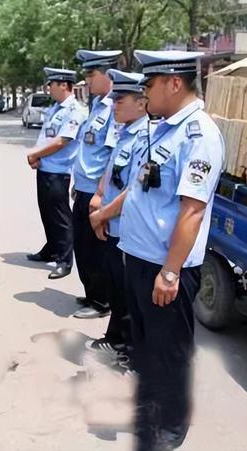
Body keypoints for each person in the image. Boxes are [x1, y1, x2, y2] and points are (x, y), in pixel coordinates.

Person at [118, 50, 224, 450]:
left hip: (166, 267)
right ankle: (151, 411)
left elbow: (192, 211)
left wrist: (170, 271)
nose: (144, 93)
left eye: (149, 85)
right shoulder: (163, 128)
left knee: (170, 352)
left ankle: (170, 429)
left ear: (174, 83)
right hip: (141, 259)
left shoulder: (199, 135)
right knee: (147, 346)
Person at [86, 69, 148, 358]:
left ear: (141, 103)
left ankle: (128, 348)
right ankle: (116, 337)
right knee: (116, 287)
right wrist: (98, 198)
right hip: (113, 225)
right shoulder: (125, 132)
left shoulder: (146, 138)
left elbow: (133, 191)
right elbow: (111, 173)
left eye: (120, 99)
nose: (114, 105)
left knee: (127, 293)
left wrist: (102, 215)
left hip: (128, 230)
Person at [70, 49, 122, 319]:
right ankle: (92, 293)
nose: (87, 80)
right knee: (82, 246)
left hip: (96, 194)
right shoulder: (98, 105)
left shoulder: (115, 107)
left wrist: (100, 194)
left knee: (95, 250)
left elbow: (112, 157)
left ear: (108, 74)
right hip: (84, 188)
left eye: (91, 74)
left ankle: (101, 301)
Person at [26, 68, 88, 279]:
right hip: (46, 168)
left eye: (51, 84)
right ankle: (51, 249)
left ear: (64, 85)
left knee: (60, 217)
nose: (48, 88)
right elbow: (47, 136)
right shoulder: (55, 109)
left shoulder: (74, 111)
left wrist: (36, 154)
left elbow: (62, 141)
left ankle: (64, 259)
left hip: (59, 172)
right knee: (47, 213)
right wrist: (38, 157)